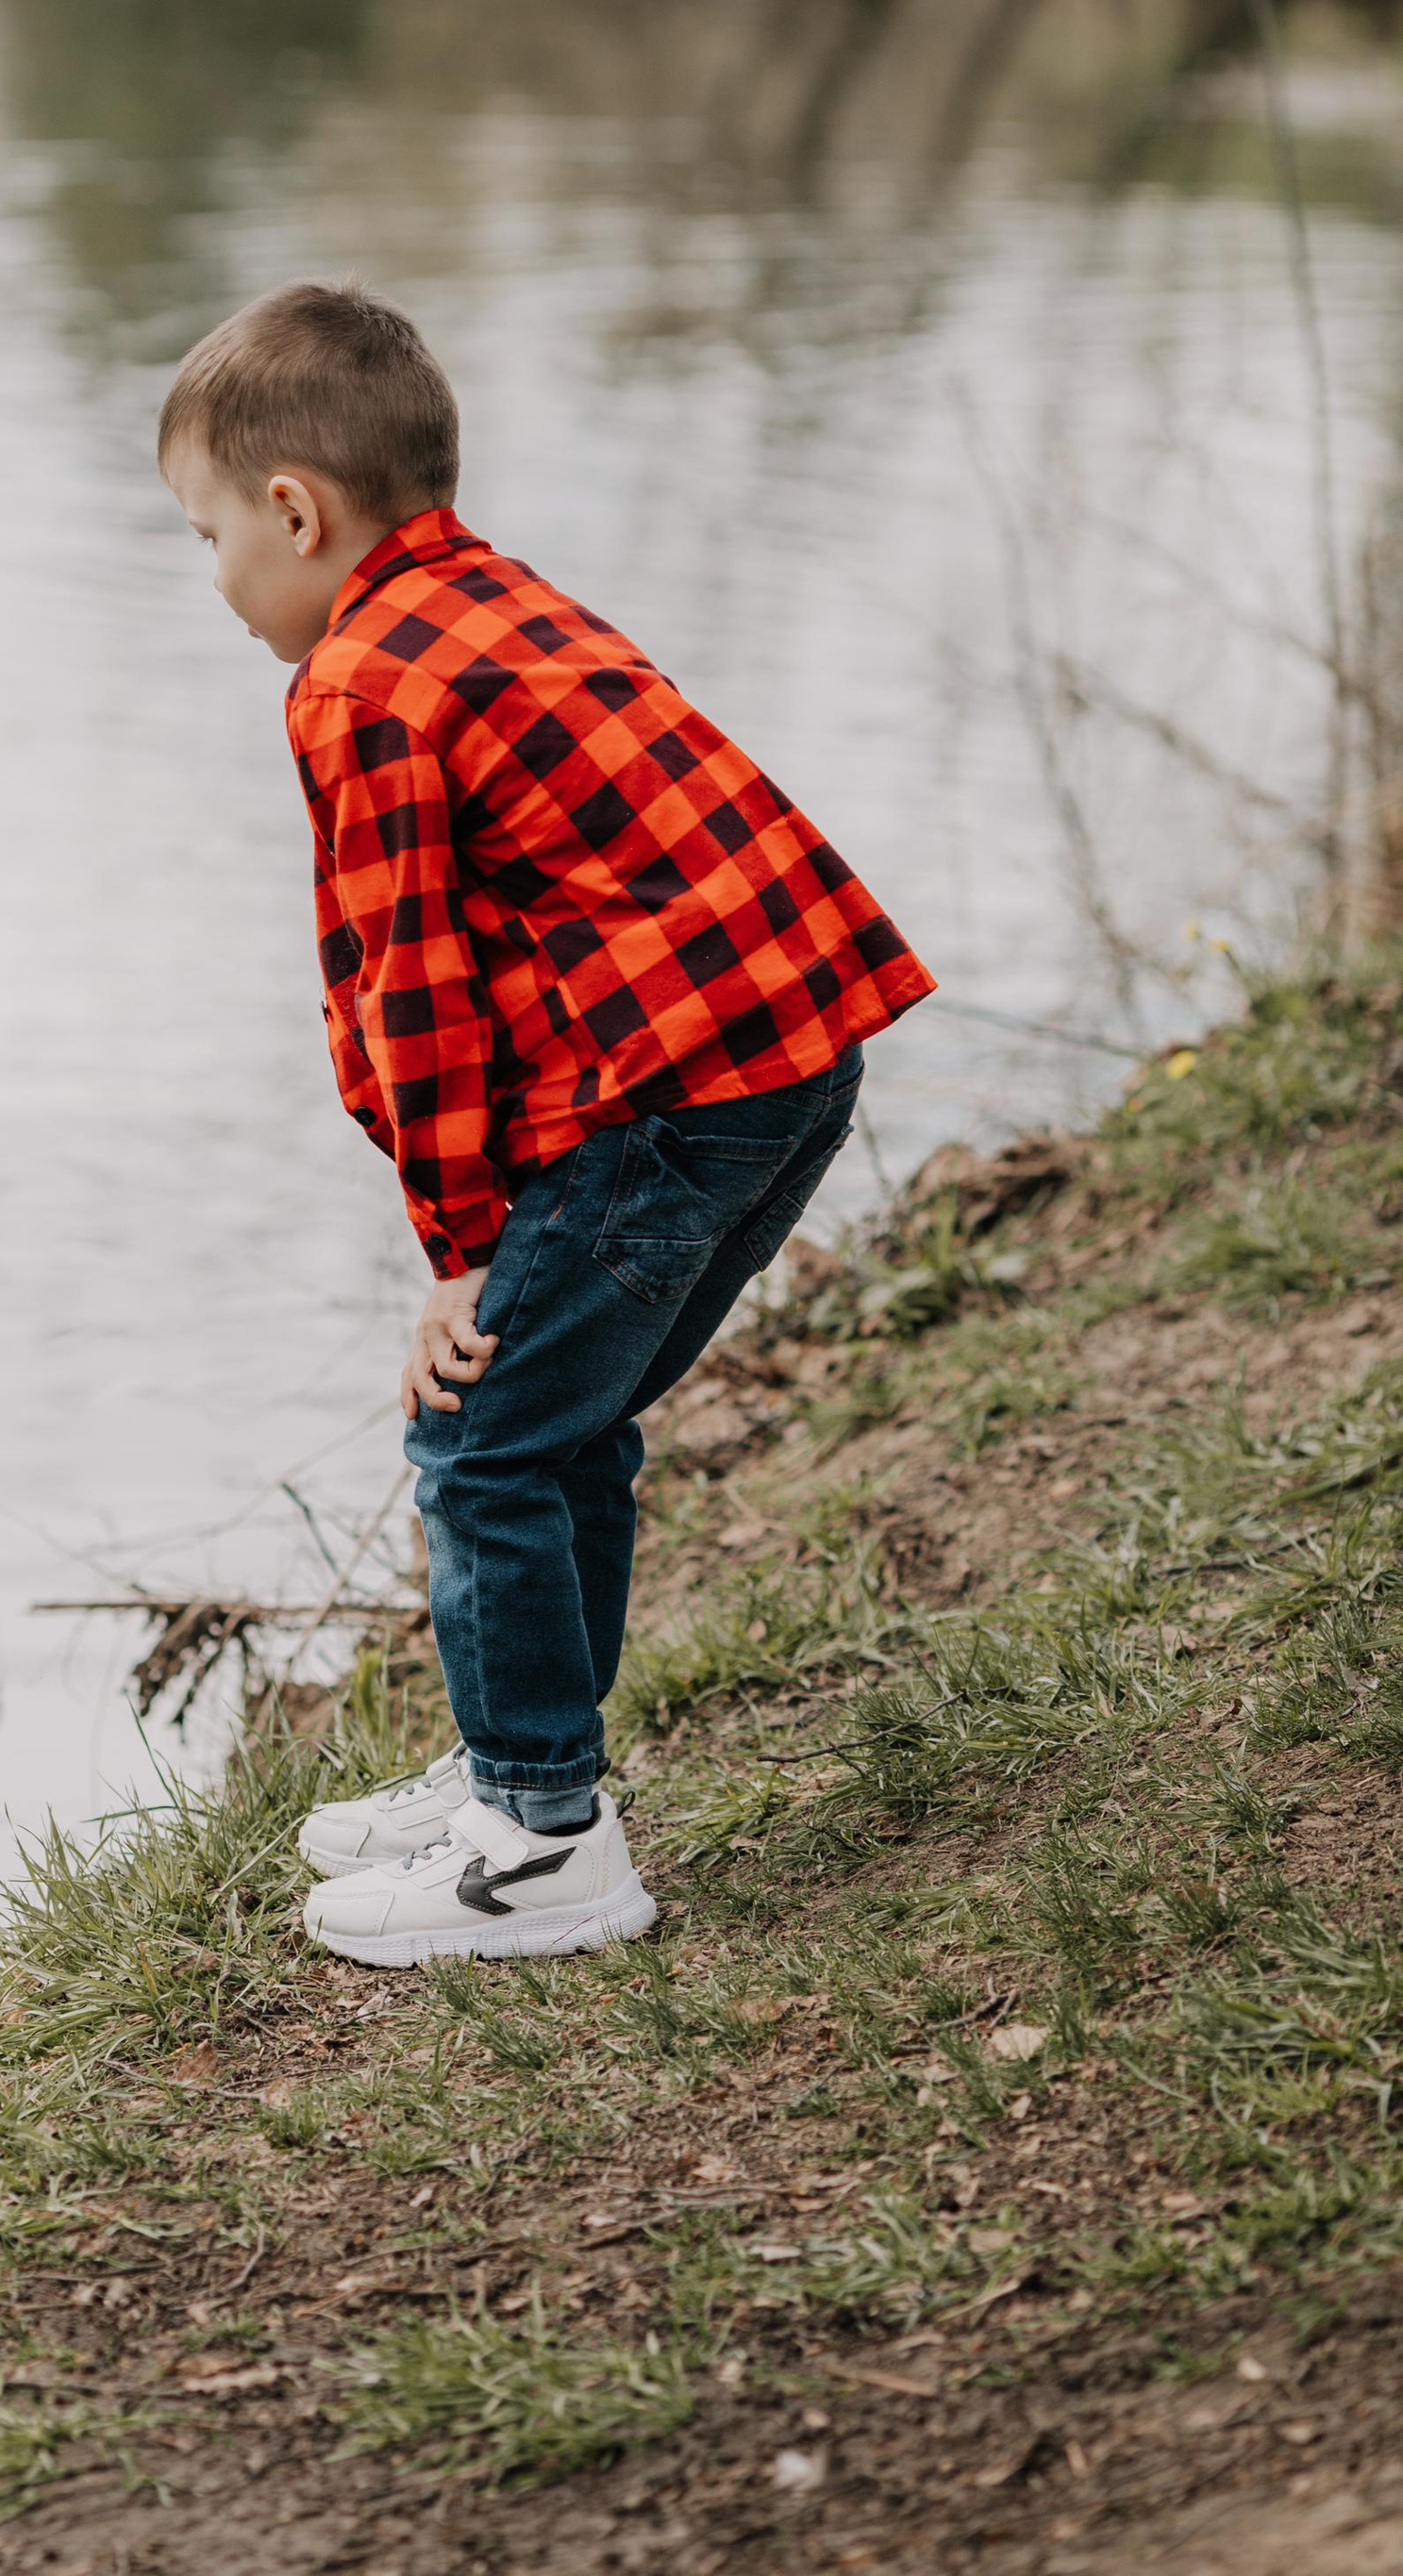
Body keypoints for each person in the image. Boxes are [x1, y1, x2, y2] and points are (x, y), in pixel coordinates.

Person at [159, 283, 933, 1967]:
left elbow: (410, 995)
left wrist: (460, 1249)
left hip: (673, 1099)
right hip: (786, 1059)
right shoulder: (490, 596)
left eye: (209, 536)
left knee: (485, 1438)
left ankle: (544, 1844)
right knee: (561, 1423)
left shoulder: (361, 686)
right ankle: (522, 1760)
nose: (212, 575)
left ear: (294, 510)